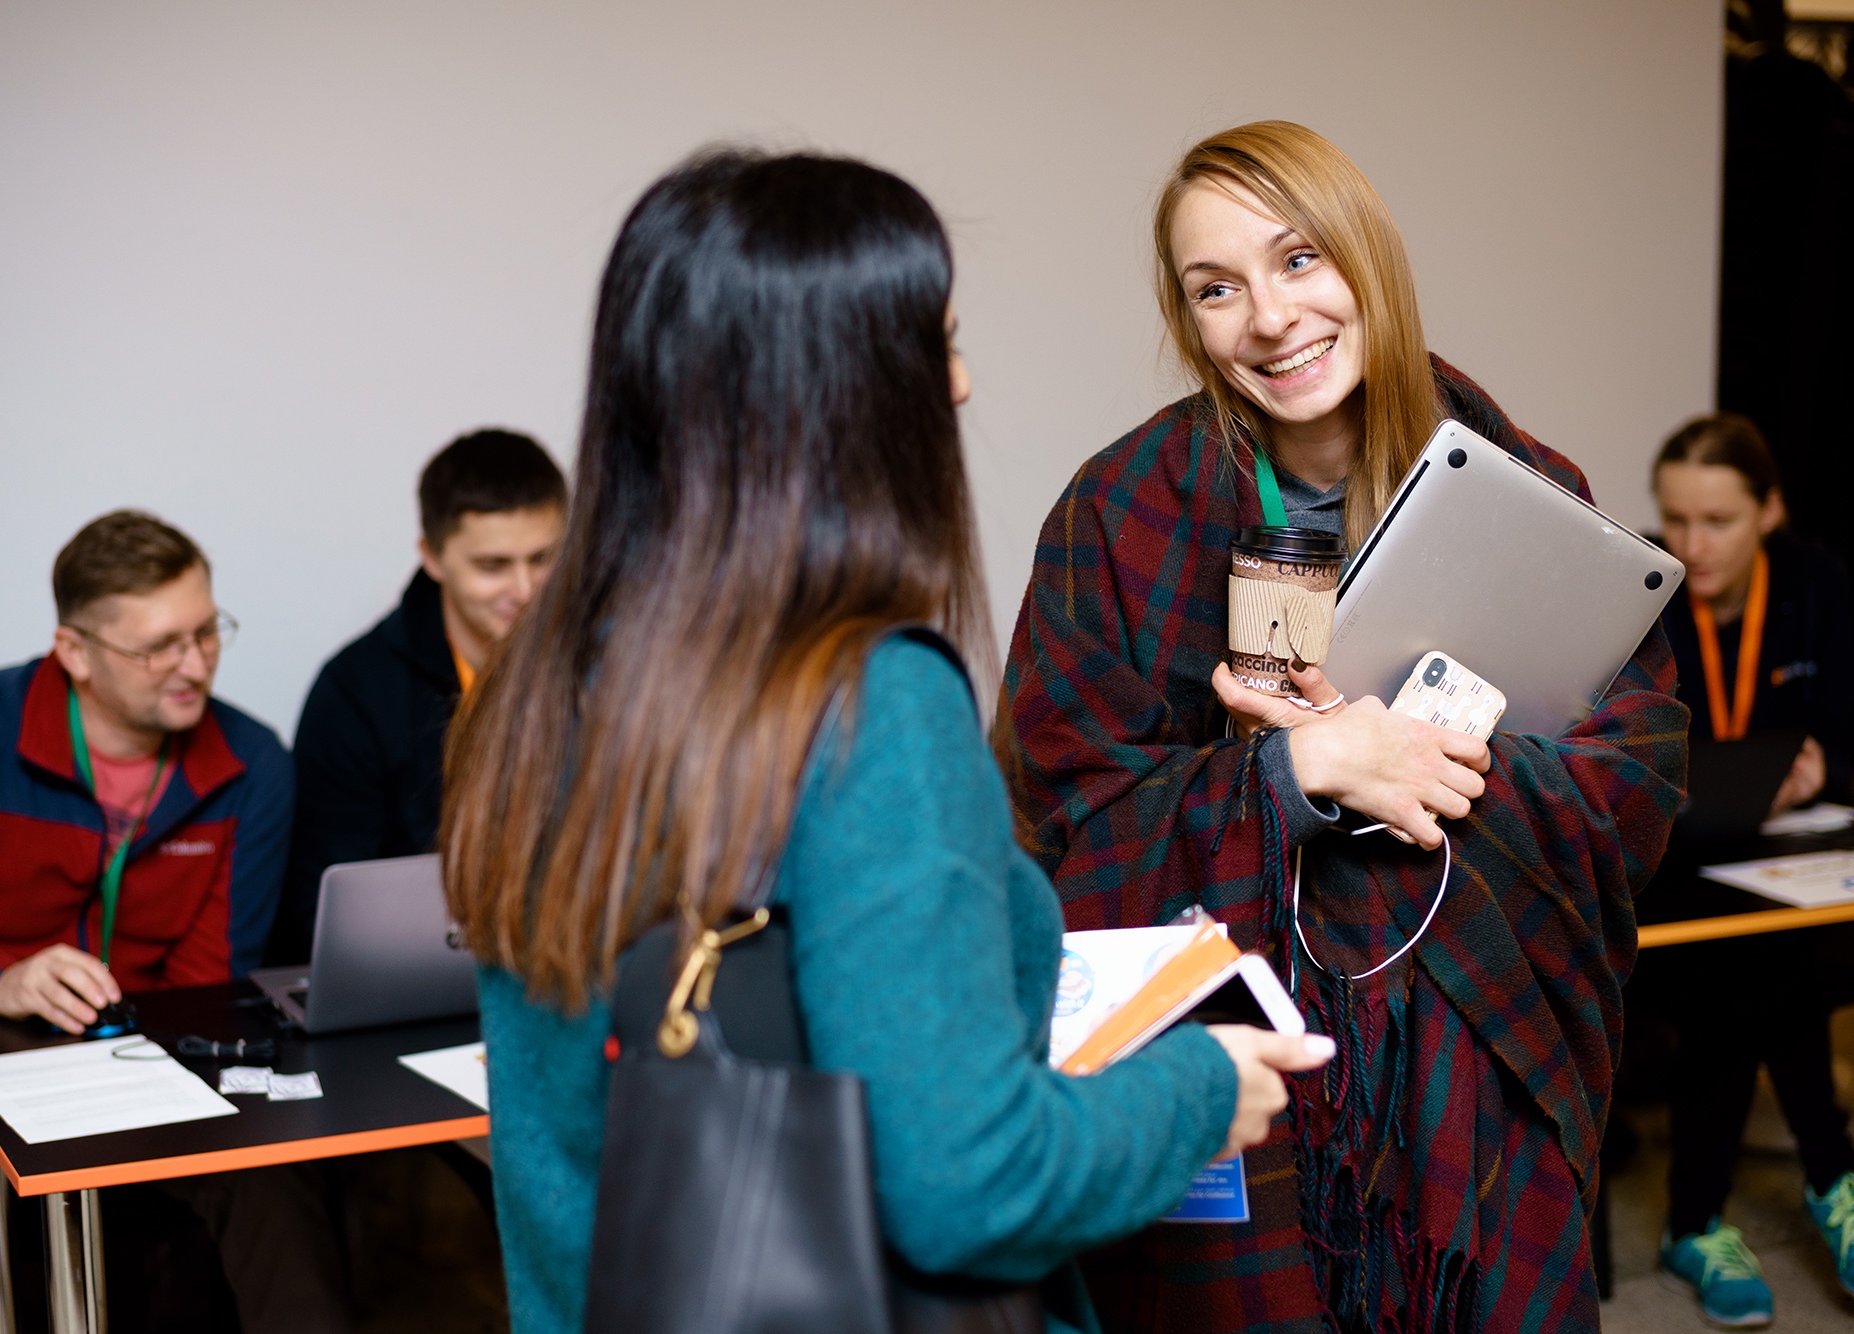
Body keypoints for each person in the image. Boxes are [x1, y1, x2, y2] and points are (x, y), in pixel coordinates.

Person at [439, 148, 1333, 1334]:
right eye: (937, 342)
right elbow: (966, 1183)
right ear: (844, 389)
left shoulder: (533, 683)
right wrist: (1195, 1083)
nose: (959, 384)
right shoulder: (871, 701)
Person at [999, 121, 1687, 1331]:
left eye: (1299, 261)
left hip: (1477, 1072)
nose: (1267, 318)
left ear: (1368, 261)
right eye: (1216, 288)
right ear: (1186, 315)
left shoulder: (1534, 489)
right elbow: (1058, 825)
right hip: (1240, 1080)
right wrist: (1288, 772)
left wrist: (1412, 751)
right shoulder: (1113, 517)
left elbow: (1630, 776)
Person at [0, 510, 350, 1334]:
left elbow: (210, 980)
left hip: (136, 1051)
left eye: (207, 631)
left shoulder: (252, 764)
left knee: (274, 1177)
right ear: (74, 651)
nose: (195, 665)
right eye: (158, 646)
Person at [1646, 411, 1854, 1325]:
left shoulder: (1814, 582)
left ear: (1769, 511)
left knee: (1759, 962)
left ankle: (1693, 1222)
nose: (1692, 545)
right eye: (1676, 519)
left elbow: (1847, 730)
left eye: (1718, 522)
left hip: (1788, 856)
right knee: (1754, 965)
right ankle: (1836, 1178)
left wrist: (1823, 770)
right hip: (1671, 865)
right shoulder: (1647, 587)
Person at [273, 428, 566, 962]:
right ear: (432, 557)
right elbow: (325, 913)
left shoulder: (610, 667)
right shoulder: (355, 691)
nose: (525, 589)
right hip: (416, 985)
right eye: (493, 566)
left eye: (544, 558)